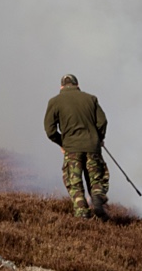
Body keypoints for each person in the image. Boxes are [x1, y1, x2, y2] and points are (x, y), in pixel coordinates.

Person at [45, 74, 109, 219]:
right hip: (92, 147)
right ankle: (97, 196)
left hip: (72, 149)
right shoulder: (91, 99)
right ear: (77, 85)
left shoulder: (54, 101)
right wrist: (99, 138)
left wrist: (62, 143)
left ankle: (82, 213)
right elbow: (102, 122)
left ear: (61, 86)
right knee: (96, 179)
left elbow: (50, 130)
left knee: (74, 182)